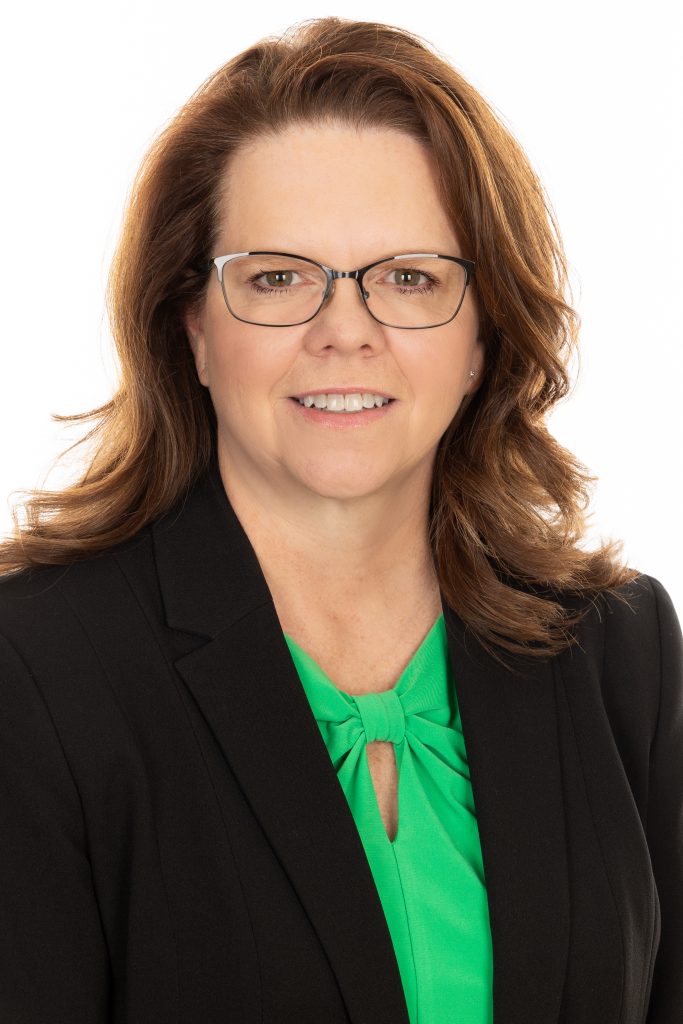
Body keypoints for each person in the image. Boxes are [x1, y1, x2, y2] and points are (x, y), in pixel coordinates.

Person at [0, 15, 680, 1024]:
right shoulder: (34, 670)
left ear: (482, 337)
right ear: (190, 326)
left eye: (409, 277)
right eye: (278, 277)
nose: (345, 332)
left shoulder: (616, 648)